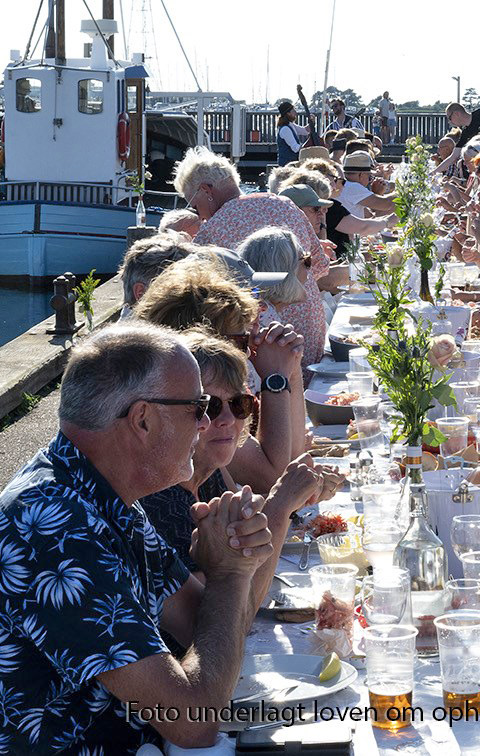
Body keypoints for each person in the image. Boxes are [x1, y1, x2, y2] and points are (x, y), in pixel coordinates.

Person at [0, 322, 276, 753]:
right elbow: (193, 722)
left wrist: (237, 565)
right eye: (198, 407)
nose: (206, 424)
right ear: (143, 419)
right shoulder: (53, 530)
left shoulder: (100, 494)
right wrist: (227, 575)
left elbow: (200, 624)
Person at [139, 330, 336, 608]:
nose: (227, 419)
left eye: (239, 404)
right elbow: (228, 617)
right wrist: (281, 505)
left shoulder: (206, 468)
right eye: (209, 406)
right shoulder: (159, 501)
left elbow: (253, 542)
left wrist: (301, 490)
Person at [134, 256, 308, 494]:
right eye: (240, 340)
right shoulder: (200, 411)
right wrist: (275, 378)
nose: (247, 351)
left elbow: (294, 457)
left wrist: (292, 367)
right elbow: (273, 478)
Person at [174, 147, 332, 367]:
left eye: (194, 205)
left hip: (263, 334)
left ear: (206, 190)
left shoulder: (213, 229)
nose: (199, 215)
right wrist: (289, 289)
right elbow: (320, 265)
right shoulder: (283, 203)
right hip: (308, 318)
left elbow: (192, 286)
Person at [338, 151, 397, 217]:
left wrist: (377, 194)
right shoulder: (352, 186)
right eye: (370, 177)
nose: (370, 181)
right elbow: (387, 204)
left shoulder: (346, 184)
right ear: (361, 175)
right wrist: (404, 190)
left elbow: (371, 216)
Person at [276, 100, 311, 166]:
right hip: (287, 166)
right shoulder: (285, 129)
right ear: (288, 113)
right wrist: (308, 147)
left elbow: (305, 131)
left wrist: (311, 122)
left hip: (292, 164)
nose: (295, 112)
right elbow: (295, 148)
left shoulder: (290, 125)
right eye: (293, 110)